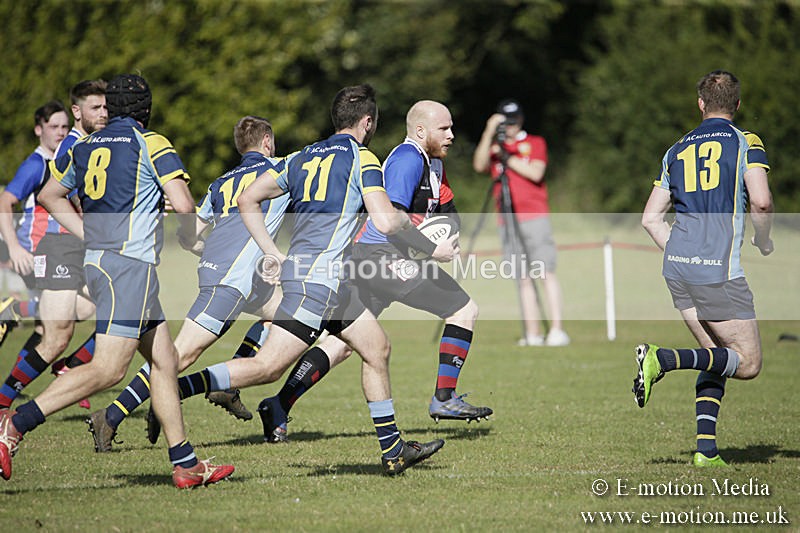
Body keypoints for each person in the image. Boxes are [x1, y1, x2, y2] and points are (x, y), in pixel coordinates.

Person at [174, 84, 448, 475]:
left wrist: (271, 249)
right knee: (268, 368)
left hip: (331, 282)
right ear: (367, 122)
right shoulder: (363, 158)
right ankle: (175, 389)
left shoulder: (301, 157)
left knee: (376, 348)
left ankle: (393, 451)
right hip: (316, 283)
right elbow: (387, 221)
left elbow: (246, 200)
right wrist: (421, 236)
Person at [0, 74, 233, 488]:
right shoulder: (152, 142)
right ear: (145, 108)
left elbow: (52, 194)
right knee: (109, 370)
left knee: (164, 362)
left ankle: (186, 464)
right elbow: (182, 204)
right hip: (129, 266)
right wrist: (195, 234)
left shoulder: (85, 146)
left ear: (111, 106)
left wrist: (87, 234)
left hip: (101, 262)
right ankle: (14, 425)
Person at [87, 115, 350, 451]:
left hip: (232, 274)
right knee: (177, 356)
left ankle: (228, 385)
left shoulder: (220, 183)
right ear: (267, 142)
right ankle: (110, 415)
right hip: (230, 281)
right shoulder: (279, 168)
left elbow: (191, 239)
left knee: (279, 315)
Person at [255, 100, 491, 443]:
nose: (452, 135)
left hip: (376, 258)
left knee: (344, 343)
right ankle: (444, 398)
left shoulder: (433, 165)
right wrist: (431, 247)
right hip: (379, 256)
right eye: (444, 129)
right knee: (463, 309)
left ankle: (278, 404)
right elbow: (391, 218)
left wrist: (450, 234)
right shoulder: (407, 159)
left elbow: (448, 210)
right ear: (421, 130)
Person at [633, 70, 773, 467]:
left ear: (700, 104)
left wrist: (680, 253)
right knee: (747, 364)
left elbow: (650, 219)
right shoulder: (746, 141)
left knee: (715, 355)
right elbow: (761, 201)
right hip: (718, 273)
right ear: (737, 104)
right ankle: (661, 358)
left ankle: (706, 452)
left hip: (678, 269)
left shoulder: (676, 149)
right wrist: (763, 239)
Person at [0, 80, 109, 412]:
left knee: (93, 312)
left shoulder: (85, 144)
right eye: (96, 107)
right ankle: (9, 398)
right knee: (56, 335)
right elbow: (9, 201)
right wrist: (15, 250)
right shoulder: (54, 155)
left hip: (70, 246)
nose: (104, 113)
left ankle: (66, 365)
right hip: (55, 247)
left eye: (106, 107)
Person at [472, 99, 569, 347]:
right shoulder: (495, 145)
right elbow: (479, 165)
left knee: (545, 272)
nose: (511, 127)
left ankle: (557, 330)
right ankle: (533, 333)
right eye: (506, 122)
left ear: (521, 120)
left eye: (514, 122)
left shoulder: (534, 143)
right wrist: (489, 132)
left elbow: (536, 172)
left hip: (534, 216)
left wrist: (507, 157)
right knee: (523, 277)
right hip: (507, 220)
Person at [0, 101, 71, 401]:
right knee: (66, 315)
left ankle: (8, 392)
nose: (60, 132)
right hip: (33, 254)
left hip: (50, 254)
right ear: (38, 129)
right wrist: (15, 248)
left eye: (64, 127)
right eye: (53, 127)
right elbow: (5, 202)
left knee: (48, 329)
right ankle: (11, 310)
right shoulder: (37, 164)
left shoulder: (63, 161)